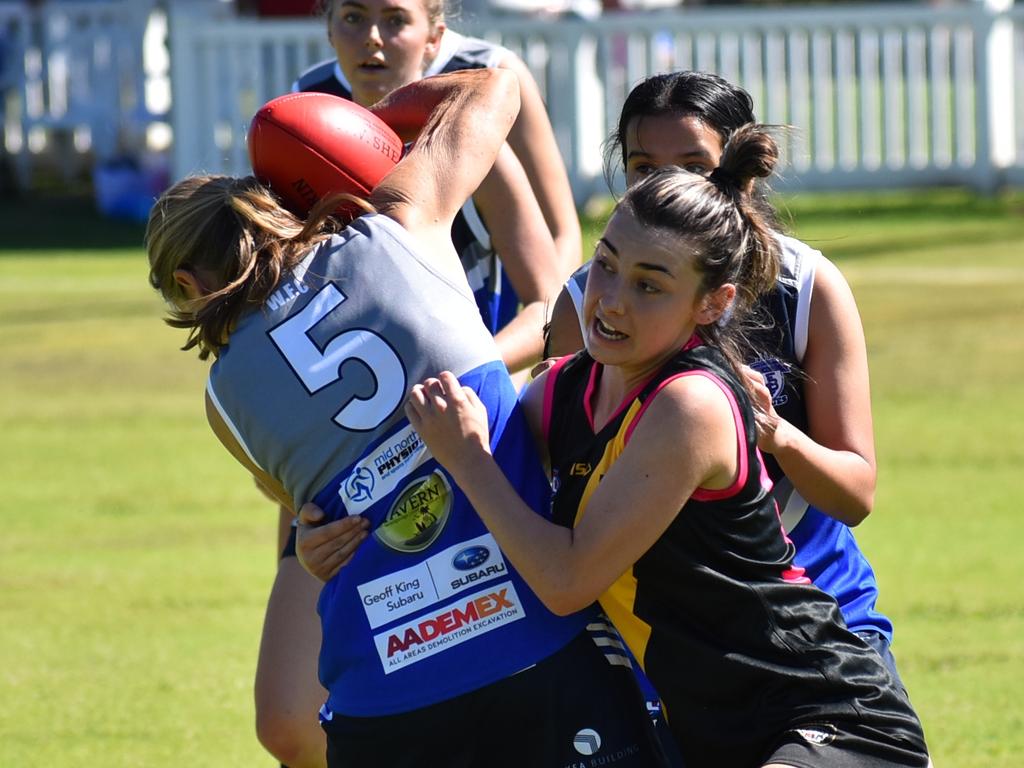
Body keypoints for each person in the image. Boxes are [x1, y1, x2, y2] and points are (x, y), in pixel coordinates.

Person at [146, 69, 663, 768]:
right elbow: (497, 88)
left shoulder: (223, 403)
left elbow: (312, 513)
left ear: (186, 285)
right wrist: (372, 117)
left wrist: (317, 527)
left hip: (381, 702)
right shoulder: (398, 227)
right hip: (534, 646)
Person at [404, 125, 930, 768]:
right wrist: (330, 526)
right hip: (709, 738)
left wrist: (468, 459)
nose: (612, 301)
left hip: (829, 718)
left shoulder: (693, 404)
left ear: (713, 304)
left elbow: (566, 578)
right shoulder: (567, 388)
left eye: (649, 285)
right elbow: (438, 459)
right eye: (606, 264)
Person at [260, 1, 578, 762]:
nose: (371, 38)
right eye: (350, 16)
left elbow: (560, 282)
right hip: (348, 440)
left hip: (475, 417)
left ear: (436, 30)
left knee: (512, 666)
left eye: (394, 19)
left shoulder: (480, 95)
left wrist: (461, 371)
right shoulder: (296, 120)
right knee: (290, 719)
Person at [545, 71, 905, 687]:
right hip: (657, 627)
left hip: (815, 612)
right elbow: (543, 481)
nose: (669, 188)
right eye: (643, 168)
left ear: (741, 172)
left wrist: (775, 435)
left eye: (694, 165)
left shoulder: (805, 286)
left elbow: (856, 494)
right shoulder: (592, 302)